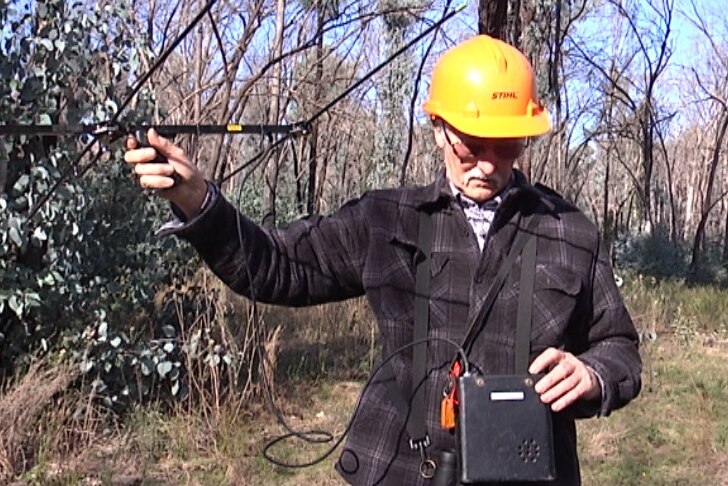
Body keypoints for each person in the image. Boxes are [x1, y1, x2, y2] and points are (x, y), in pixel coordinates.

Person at [125, 35, 641, 485]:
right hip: (402, 468)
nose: (487, 163)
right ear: (438, 128)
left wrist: (594, 374)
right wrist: (199, 203)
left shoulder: (569, 230)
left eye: (505, 146)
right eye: (471, 145)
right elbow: (274, 267)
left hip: (529, 469)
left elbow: (618, 345)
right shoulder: (386, 220)